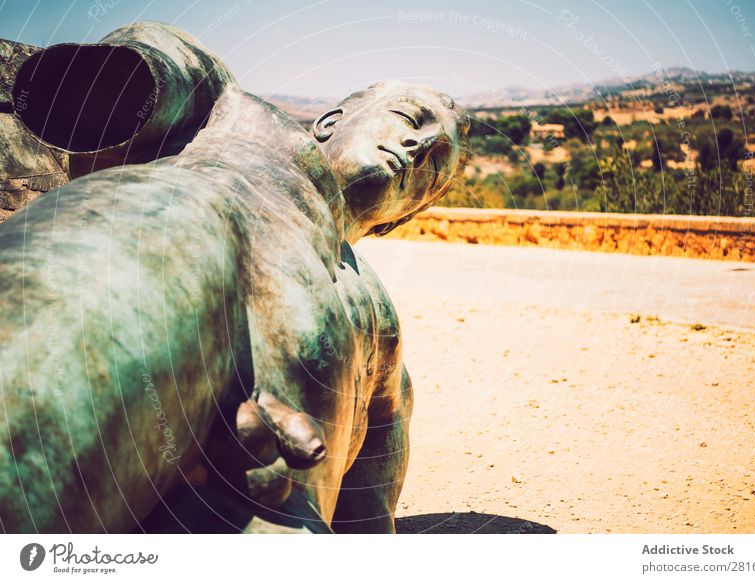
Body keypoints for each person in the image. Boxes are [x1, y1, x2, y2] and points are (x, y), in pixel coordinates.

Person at [0, 22, 469, 533]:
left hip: (259, 509)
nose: (420, 147)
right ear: (332, 121)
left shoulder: (379, 324)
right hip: (140, 256)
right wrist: (132, 78)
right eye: (409, 118)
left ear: (402, 216)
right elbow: (160, 69)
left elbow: (370, 518)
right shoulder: (236, 118)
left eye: (435, 167)